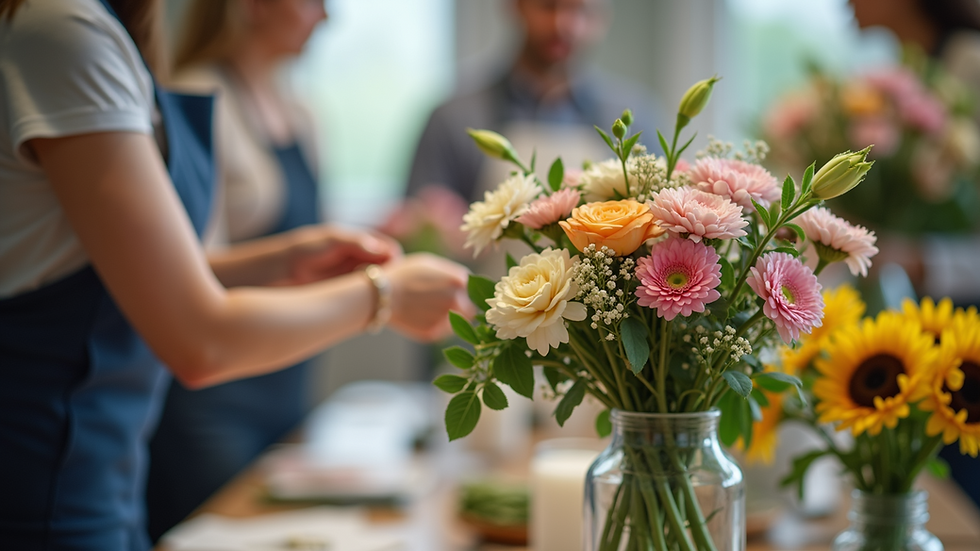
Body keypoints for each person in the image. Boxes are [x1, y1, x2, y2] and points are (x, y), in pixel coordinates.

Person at [0, 0, 472, 549]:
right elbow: (199, 338)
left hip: (110, 474)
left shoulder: (107, 35)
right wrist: (382, 297)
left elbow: (146, 267)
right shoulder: (63, 29)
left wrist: (281, 258)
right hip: (50, 485)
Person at [144, 0, 339, 540]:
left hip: (287, 382)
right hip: (215, 401)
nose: (325, 17)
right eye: (313, 2)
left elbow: (314, 252)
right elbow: (184, 273)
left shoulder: (298, 109)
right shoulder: (195, 98)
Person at [849, 0, 980, 507]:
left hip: (967, 337)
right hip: (918, 321)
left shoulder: (970, 64)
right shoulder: (906, 75)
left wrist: (918, 260)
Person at [406, 0, 660, 204]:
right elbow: (420, 231)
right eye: (548, 6)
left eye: (580, 10)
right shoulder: (453, 118)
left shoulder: (636, 117)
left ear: (602, 19)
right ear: (515, 6)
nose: (563, 25)